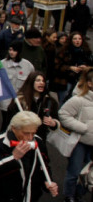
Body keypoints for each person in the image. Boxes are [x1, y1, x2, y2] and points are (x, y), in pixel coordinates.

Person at [0, 111, 58, 202]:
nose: (30, 138)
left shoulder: (38, 142)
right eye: (26, 133)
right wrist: (13, 158)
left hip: (31, 197)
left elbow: (44, 166)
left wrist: (47, 181)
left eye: (33, 133)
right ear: (14, 128)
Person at [58, 70, 93, 202]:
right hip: (80, 142)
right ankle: (69, 196)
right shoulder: (78, 100)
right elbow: (63, 114)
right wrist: (82, 128)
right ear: (89, 84)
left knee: (89, 174)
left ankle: (79, 193)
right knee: (75, 171)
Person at [6, 71, 59, 141]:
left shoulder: (49, 101)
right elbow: (10, 118)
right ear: (31, 82)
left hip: (40, 139)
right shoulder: (20, 100)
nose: (41, 83)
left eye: (43, 81)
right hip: (21, 138)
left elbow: (56, 120)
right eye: (38, 80)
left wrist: (53, 123)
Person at [0, 41, 35, 131]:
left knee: (18, 124)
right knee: (6, 123)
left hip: (20, 100)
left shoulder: (27, 65)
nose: (11, 52)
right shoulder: (2, 64)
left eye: (14, 50)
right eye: (10, 50)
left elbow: (31, 82)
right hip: (6, 100)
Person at [54, 31, 92, 103]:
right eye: (75, 39)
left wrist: (86, 68)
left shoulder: (87, 52)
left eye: (79, 39)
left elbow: (91, 66)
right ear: (71, 40)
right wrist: (70, 68)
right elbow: (57, 65)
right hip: (66, 80)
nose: (77, 41)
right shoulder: (64, 51)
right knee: (63, 99)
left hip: (81, 80)